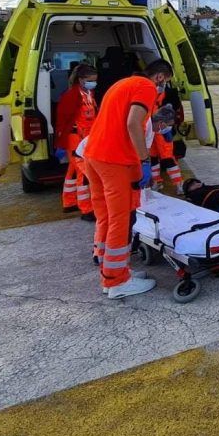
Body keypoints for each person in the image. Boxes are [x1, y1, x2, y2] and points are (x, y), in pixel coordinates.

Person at [83, 58, 174, 299]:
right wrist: (144, 161)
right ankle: (116, 281)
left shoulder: (122, 84)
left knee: (105, 215)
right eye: (164, 83)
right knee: (121, 220)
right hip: (115, 161)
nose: (162, 89)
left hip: (94, 155)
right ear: (159, 78)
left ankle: (110, 269)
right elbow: (133, 123)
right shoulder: (145, 87)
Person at [55, 63, 98, 220]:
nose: (93, 83)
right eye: (90, 80)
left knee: (73, 171)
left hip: (86, 137)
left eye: (94, 80)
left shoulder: (88, 94)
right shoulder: (72, 96)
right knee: (83, 172)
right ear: (80, 80)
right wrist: (60, 142)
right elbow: (63, 120)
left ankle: (69, 202)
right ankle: (86, 209)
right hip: (76, 138)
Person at [148, 105, 184, 194]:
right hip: (154, 122)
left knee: (167, 158)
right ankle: (156, 182)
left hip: (159, 123)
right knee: (153, 157)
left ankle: (179, 184)